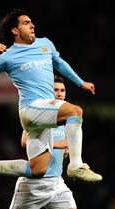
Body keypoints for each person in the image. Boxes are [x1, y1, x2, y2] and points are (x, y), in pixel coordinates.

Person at [0, 8, 102, 182]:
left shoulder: (45, 44)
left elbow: (60, 63)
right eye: (26, 23)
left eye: (32, 22)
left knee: (38, 169)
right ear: (15, 30)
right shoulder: (8, 56)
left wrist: (81, 83)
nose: (32, 25)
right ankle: (76, 165)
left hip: (43, 112)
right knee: (76, 112)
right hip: (31, 108)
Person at [9, 75, 76, 209]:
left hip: (56, 183)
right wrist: (57, 145)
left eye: (62, 90)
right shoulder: (39, 114)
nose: (59, 93)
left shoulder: (67, 121)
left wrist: (67, 149)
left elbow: (68, 144)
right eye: (55, 90)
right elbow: (24, 141)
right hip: (34, 184)